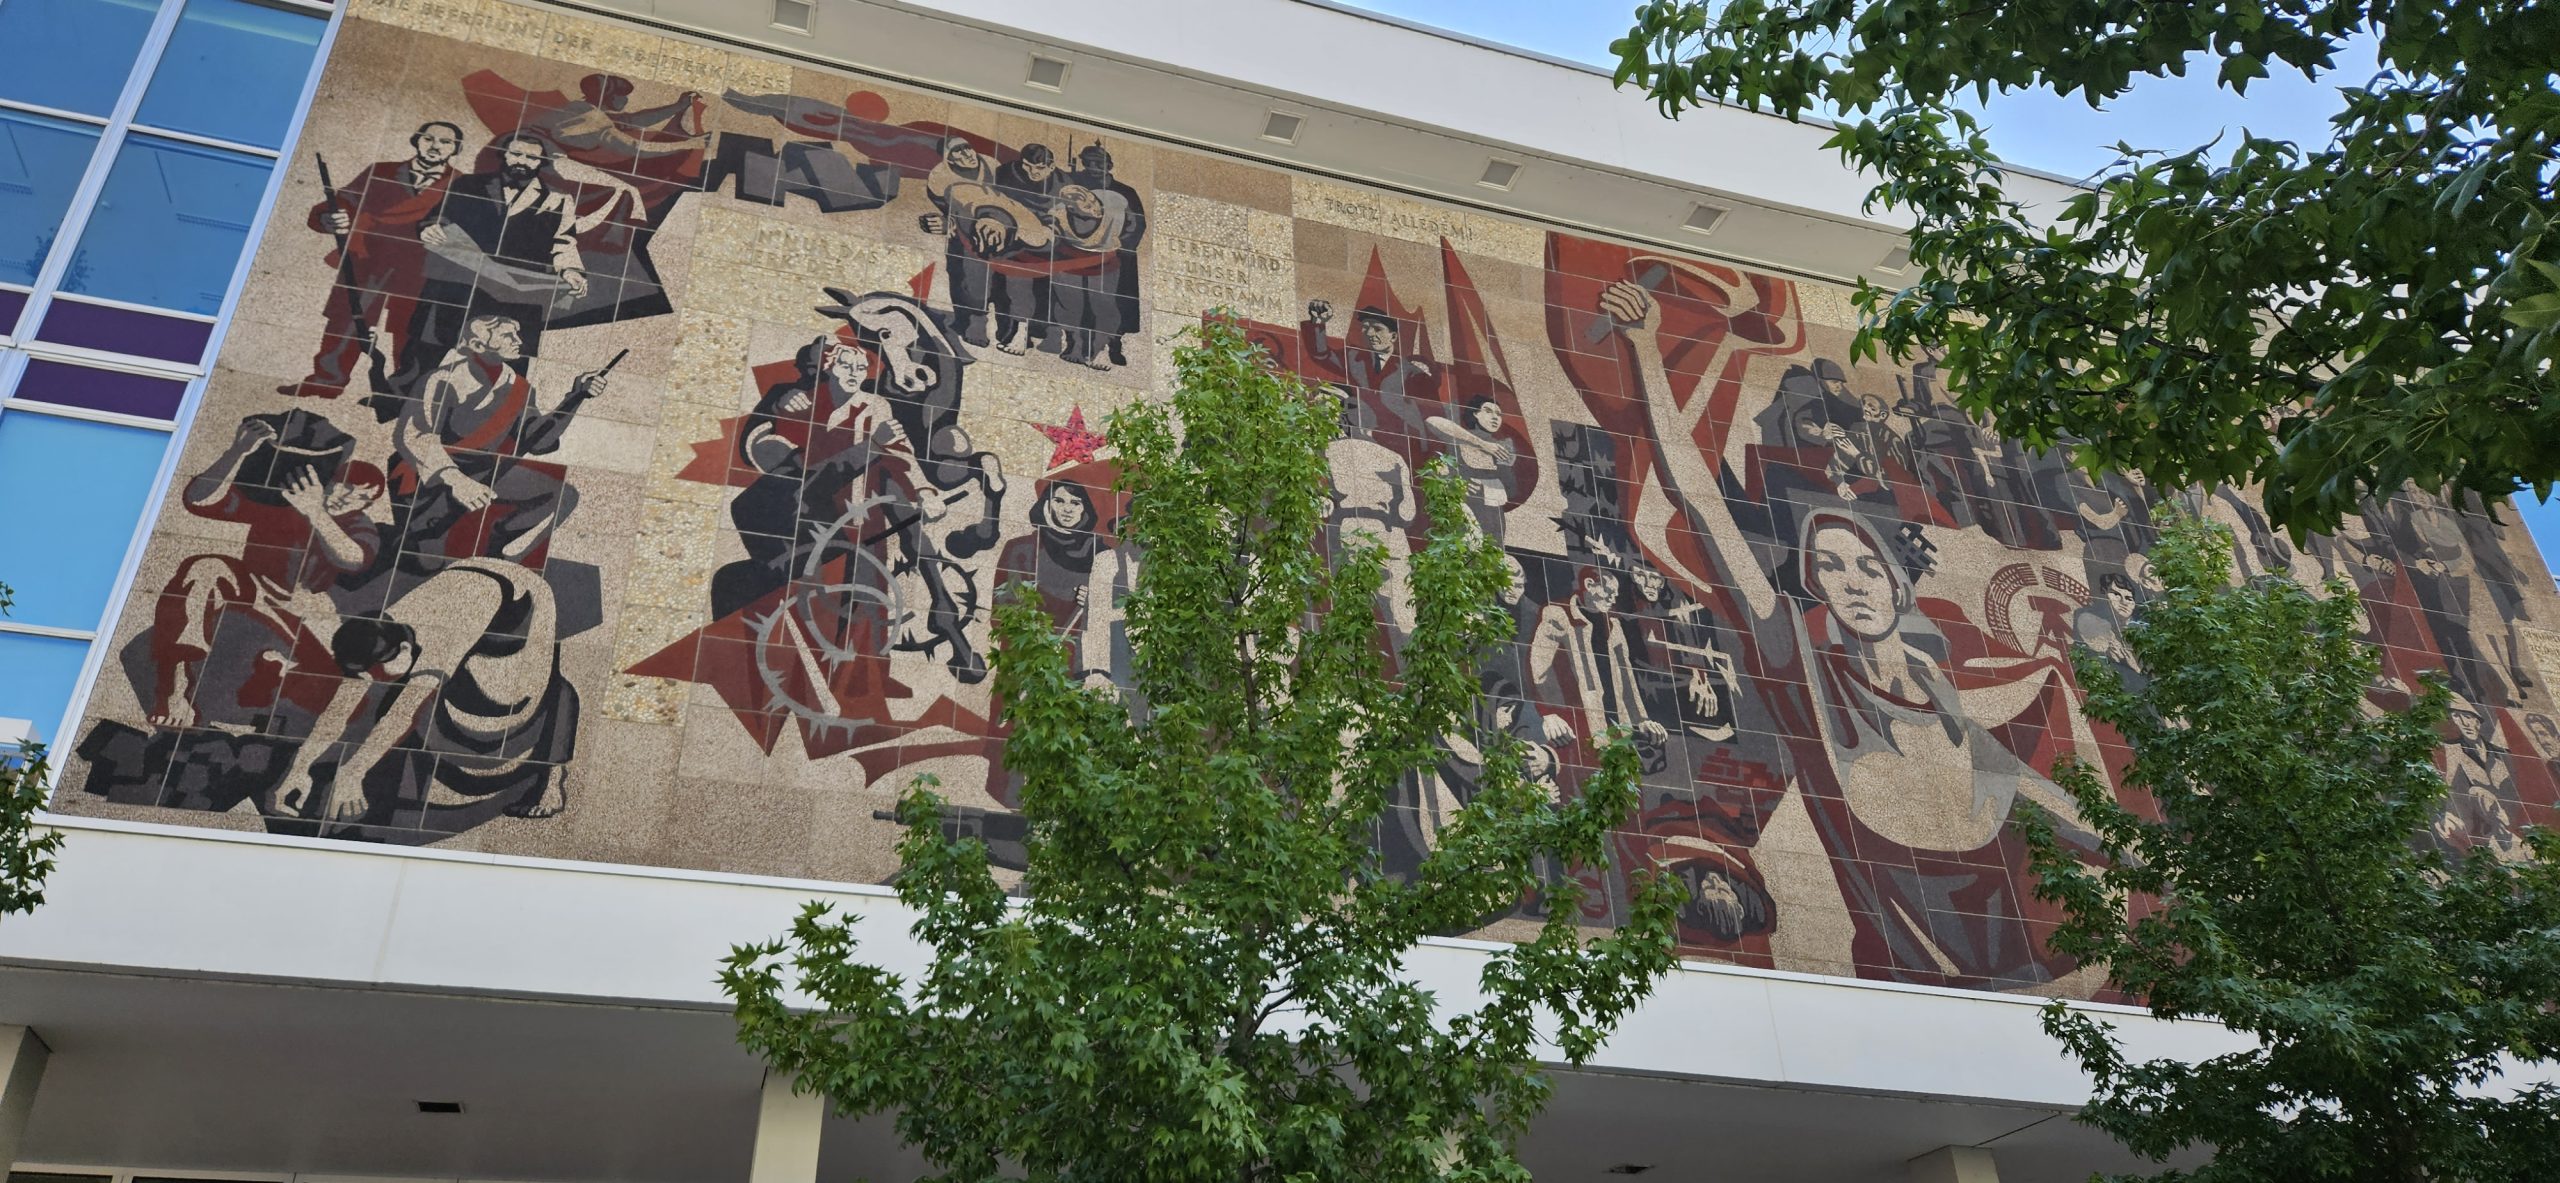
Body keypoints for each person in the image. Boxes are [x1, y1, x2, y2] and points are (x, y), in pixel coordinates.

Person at [272, 557, 579, 831]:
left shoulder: (439, 641)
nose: (372, 682)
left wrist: (354, 772)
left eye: (378, 673)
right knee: (409, 689)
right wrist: (300, 768)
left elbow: (402, 714)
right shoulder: (378, 632)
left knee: (521, 696)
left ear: (405, 648)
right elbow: (339, 709)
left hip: (525, 595)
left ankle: (551, 779)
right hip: (467, 574)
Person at [149, 416, 384, 730]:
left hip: (306, 608)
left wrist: (315, 512)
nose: (350, 498)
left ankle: (271, 682)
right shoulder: (281, 502)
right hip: (252, 586)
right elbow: (198, 500)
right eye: (348, 487)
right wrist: (236, 453)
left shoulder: (357, 524)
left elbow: (353, 558)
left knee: (343, 696)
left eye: (364, 498)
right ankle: (175, 691)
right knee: (205, 568)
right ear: (330, 480)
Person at [373, 315, 607, 577]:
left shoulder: (519, 387)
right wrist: (456, 481)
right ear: (477, 345)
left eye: (516, 334)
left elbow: (539, 441)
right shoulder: (443, 379)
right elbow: (415, 435)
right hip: (432, 474)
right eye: (507, 336)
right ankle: (411, 538)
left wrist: (576, 397)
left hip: (485, 470)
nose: (518, 341)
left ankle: (496, 546)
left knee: (564, 495)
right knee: (425, 564)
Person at [286, 121, 465, 399]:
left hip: (421, 267)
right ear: (416, 141)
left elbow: (468, 226)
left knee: (411, 329)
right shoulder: (380, 171)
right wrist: (331, 216)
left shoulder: (462, 184)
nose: (435, 146)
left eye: (445, 142)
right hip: (370, 258)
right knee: (346, 319)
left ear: (455, 149)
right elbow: (344, 201)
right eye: (428, 139)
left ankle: (398, 395)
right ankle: (326, 380)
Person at [404, 131, 588, 379]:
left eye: (531, 157)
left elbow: (564, 242)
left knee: (511, 364)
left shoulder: (559, 200)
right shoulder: (468, 184)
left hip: (517, 293)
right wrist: (431, 227)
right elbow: (440, 216)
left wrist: (571, 270)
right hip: (461, 283)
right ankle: (402, 394)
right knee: (427, 351)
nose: (522, 161)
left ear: (541, 162)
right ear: (504, 155)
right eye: (516, 154)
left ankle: (502, 401)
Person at [1042, 183, 1136, 369]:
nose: (1094, 208)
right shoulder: (1059, 214)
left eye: (1093, 202)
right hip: (1069, 260)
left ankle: (1100, 350)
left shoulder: (1114, 204)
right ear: (1071, 209)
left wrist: (1121, 240)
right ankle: (1074, 345)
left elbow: (1133, 225)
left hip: (1104, 262)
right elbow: (1047, 229)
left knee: (1103, 304)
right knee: (1069, 303)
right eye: (1086, 207)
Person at [1070, 145, 1147, 366]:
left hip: (1116, 257)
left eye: (1099, 164)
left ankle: (1113, 344)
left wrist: (1120, 246)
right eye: (1088, 163)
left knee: (1115, 302)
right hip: (1082, 253)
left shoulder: (1125, 192)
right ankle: (1076, 344)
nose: (1093, 168)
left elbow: (1137, 223)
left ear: (1109, 166)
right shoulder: (1076, 187)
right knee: (1078, 299)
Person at [1424, 396, 1521, 543]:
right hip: (1464, 510)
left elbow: (1511, 489)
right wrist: (1482, 444)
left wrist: (1499, 472)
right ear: (1475, 413)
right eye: (1488, 411)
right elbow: (1432, 421)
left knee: (1492, 548)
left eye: (1498, 414)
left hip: (1492, 515)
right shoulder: (1459, 440)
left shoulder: (1501, 447)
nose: (1495, 417)